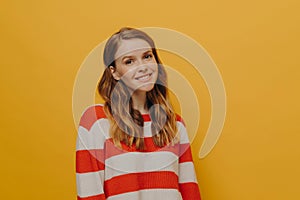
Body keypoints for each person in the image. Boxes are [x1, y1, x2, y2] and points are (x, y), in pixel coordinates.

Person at [75, 27, 201, 200]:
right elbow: (89, 194)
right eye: (129, 61)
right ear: (114, 72)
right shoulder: (96, 121)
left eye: (147, 56)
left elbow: (190, 191)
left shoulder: (175, 124)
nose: (142, 67)